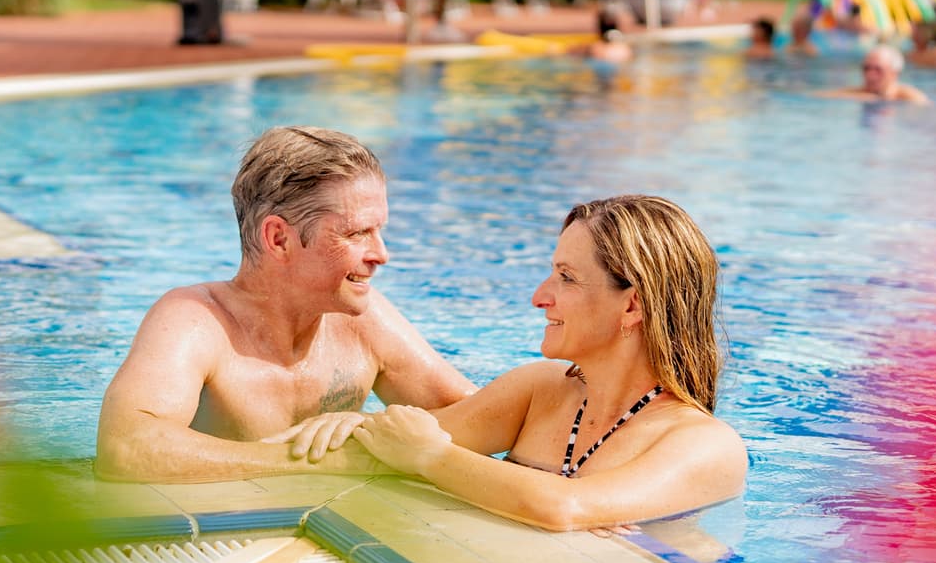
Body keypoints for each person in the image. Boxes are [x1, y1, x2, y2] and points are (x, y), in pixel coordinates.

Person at [277, 196, 746, 530]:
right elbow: (394, 444)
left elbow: (570, 509)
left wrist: (433, 457)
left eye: (566, 277)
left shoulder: (704, 445)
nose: (540, 297)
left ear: (632, 307)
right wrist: (346, 427)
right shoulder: (540, 390)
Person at [96, 127, 474, 481]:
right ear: (279, 239)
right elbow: (125, 448)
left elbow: (491, 415)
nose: (381, 254)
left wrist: (377, 429)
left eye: (380, 231)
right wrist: (320, 461)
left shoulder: (362, 319)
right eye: (357, 233)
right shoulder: (197, 320)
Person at [821, 44, 928, 103]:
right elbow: (819, 96)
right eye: (866, 68)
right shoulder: (859, 92)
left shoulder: (910, 98)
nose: (870, 75)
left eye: (878, 70)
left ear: (894, 73)